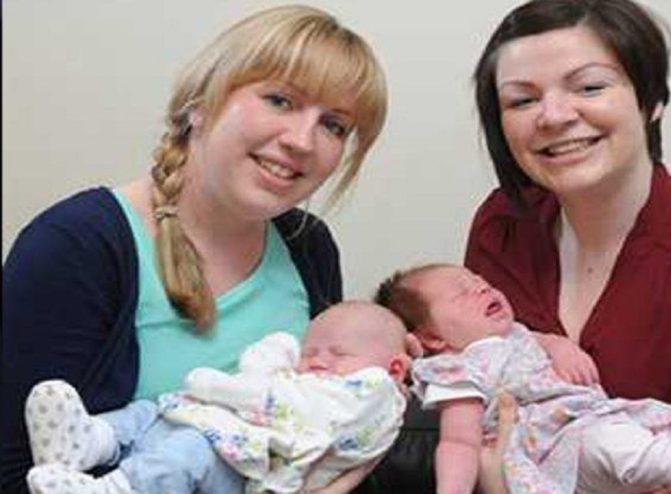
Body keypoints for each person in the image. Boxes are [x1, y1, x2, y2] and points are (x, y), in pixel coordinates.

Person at [1, 5, 387, 493]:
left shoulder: (308, 246)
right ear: (199, 104)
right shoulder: (76, 245)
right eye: (280, 100)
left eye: (334, 125)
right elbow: (14, 474)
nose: (303, 141)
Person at [466, 0, 671, 492]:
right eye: (522, 100)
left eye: (589, 87)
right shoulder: (502, 227)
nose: (553, 116)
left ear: (652, 99)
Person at [376, 263, 671, 494]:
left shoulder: (517, 334)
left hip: (592, 414)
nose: (482, 287)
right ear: (431, 338)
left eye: (480, 281)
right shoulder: (455, 369)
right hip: (554, 448)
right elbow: (460, 438)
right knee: (609, 446)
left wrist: (559, 346)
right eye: (462, 293)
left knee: (660, 420)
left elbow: (539, 339)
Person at [24, 301, 415, 494]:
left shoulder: (371, 393)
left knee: (188, 453)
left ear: (395, 367)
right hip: (218, 430)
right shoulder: (319, 378)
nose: (317, 361)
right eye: (310, 350)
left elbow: (283, 403)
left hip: (241, 469)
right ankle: (89, 440)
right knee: (150, 410)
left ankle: (110, 490)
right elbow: (258, 377)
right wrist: (277, 351)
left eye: (338, 354)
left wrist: (220, 387)